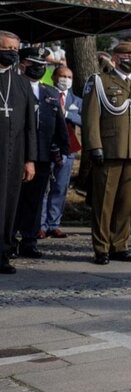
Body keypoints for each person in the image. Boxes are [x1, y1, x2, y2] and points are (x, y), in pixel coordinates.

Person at [82, 41, 131, 265]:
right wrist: (94, 146)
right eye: (127, 54)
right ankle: (101, 248)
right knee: (105, 203)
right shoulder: (100, 81)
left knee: (127, 204)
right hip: (109, 150)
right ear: (115, 58)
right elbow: (90, 118)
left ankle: (120, 245)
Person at [13, 48, 69, 258]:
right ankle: (9, 239)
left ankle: (29, 240)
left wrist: (62, 149)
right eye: (34, 63)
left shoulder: (50, 92)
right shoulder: (14, 88)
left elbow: (59, 125)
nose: (39, 67)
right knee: (14, 199)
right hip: (17, 153)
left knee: (35, 201)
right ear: (23, 64)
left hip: (43, 154)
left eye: (42, 64)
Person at [0, 31, 38, 274]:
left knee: (9, 204)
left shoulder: (22, 83)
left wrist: (30, 159)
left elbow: (30, 126)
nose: (13, 53)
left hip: (14, 154)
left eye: (16, 49)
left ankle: (3, 253)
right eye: (8, 48)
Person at [39, 66, 82, 239]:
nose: (66, 79)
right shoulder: (46, 94)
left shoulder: (76, 100)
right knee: (43, 188)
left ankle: (54, 224)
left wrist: (68, 115)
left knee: (60, 187)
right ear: (55, 77)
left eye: (69, 77)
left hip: (68, 149)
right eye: (63, 76)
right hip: (46, 147)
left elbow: (84, 120)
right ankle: (40, 224)